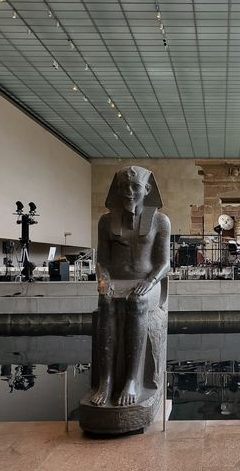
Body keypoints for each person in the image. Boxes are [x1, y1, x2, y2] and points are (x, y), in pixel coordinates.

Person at [89, 166, 170, 407]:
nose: (129, 193)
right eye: (124, 188)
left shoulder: (159, 220)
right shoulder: (106, 221)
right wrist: (103, 280)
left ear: (147, 189)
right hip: (116, 280)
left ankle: (132, 381)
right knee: (105, 302)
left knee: (136, 301)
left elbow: (164, 263)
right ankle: (106, 381)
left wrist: (150, 281)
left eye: (135, 187)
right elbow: (102, 261)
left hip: (148, 281)